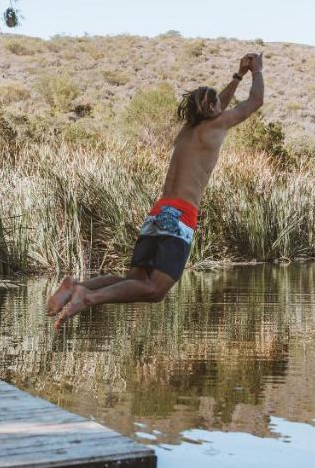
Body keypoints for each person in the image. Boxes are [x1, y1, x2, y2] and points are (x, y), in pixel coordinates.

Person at [46, 52, 266, 329]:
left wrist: (237, 76)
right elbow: (255, 101)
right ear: (210, 109)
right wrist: (256, 71)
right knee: (155, 291)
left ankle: (77, 285)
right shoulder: (216, 125)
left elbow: (216, 103)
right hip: (180, 214)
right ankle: (88, 297)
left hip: (159, 211)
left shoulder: (188, 130)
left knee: (136, 280)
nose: (218, 104)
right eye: (213, 102)